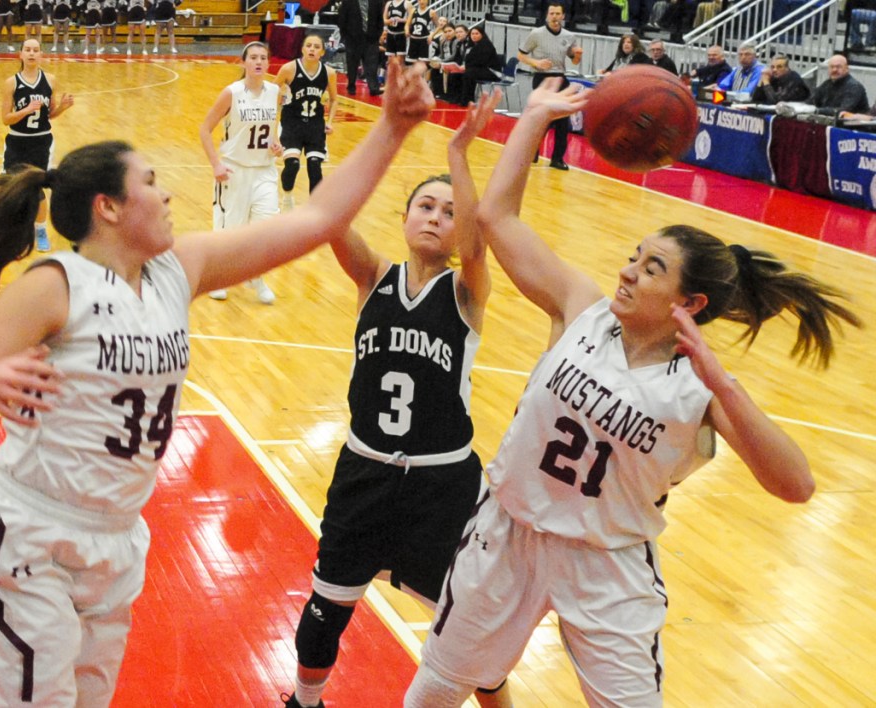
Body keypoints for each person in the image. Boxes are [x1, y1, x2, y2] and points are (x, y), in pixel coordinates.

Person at [0, 59, 434, 707]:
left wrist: (392, 126)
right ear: (108, 208)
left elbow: (315, 222)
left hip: (114, 542)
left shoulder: (176, 270)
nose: (168, 196)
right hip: (26, 537)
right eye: (152, 182)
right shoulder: (54, 285)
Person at [403, 78, 861, 708]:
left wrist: (725, 386)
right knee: (434, 691)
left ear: (690, 303)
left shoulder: (700, 388)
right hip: (506, 533)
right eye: (632, 256)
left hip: (607, 563)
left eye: (651, 269)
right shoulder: (580, 309)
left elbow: (796, 485)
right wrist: (535, 118)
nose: (626, 271)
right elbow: (496, 218)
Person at [281, 90, 509, 708]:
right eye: (423, 206)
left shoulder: (466, 290)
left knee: (472, 641)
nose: (435, 217)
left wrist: (458, 153)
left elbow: (479, 242)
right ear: (404, 219)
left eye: (446, 209)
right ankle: (305, 701)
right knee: (324, 612)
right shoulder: (371, 277)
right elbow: (328, 218)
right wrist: (373, 138)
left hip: (441, 484)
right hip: (365, 470)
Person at [199, 41, 282, 304]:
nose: (259, 62)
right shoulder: (231, 93)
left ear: (269, 63)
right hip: (235, 171)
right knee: (229, 233)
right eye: (253, 57)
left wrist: (276, 144)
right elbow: (205, 129)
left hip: (264, 171)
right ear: (244, 62)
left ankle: (256, 277)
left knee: (265, 230)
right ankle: (216, 278)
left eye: (263, 58)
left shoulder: (275, 91)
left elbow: (271, 128)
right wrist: (216, 164)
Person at [2, 39, 75, 252]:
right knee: (13, 186)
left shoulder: (50, 80)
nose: (32, 53)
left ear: (41, 54)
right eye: (28, 50)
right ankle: (15, 230)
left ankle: (40, 230)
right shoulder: (11, 83)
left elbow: (50, 114)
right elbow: (6, 118)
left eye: (35, 50)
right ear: (21, 54)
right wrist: (25, 111)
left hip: (41, 141)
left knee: (36, 187)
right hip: (17, 140)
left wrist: (63, 107)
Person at [275, 34, 339, 210]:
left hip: (315, 124)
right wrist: (280, 102)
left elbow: (334, 99)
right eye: (308, 45)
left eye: (317, 46)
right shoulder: (289, 69)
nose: (312, 49)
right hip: (292, 122)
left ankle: (314, 209)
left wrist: (330, 121)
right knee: (293, 165)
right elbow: (272, 91)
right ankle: (287, 197)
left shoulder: (329, 73)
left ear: (323, 52)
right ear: (302, 49)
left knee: (314, 166)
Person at [516, 2, 582, 170]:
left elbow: (573, 60)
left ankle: (557, 158)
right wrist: (536, 62)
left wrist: (578, 56)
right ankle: (533, 151)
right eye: (551, 13)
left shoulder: (569, 36)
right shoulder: (536, 34)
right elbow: (521, 55)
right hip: (542, 79)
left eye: (557, 14)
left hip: (560, 77)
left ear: (563, 16)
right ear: (547, 15)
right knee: (542, 119)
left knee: (562, 121)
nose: (554, 17)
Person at [777, 54, 870, 119]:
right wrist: (791, 106)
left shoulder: (854, 87)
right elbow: (810, 102)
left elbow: (843, 111)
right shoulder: (827, 84)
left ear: (847, 69)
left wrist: (815, 111)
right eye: (831, 67)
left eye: (838, 67)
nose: (834, 70)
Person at [442, 24, 503, 106]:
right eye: (472, 34)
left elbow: (482, 62)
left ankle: (467, 100)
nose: (474, 36)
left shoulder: (487, 45)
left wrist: (467, 67)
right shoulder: (472, 45)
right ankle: (456, 97)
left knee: (469, 73)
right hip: (479, 69)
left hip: (492, 71)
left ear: (482, 34)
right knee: (456, 73)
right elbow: (467, 60)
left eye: (476, 34)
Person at [337, 0, 385, 97]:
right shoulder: (348, 2)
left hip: (371, 39)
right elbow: (342, 19)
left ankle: (373, 88)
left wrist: (377, 35)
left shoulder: (377, 2)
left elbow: (380, 19)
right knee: (352, 64)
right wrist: (345, 37)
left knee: (372, 64)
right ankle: (351, 86)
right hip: (353, 38)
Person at [404, 0, 435, 66]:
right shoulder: (413, 11)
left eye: (424, 0)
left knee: (423, 64)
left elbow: (438, 26)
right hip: (413, 39)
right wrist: (406, 31)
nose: (422, 1)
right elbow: (407, 24)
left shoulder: (431, 12)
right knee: (411, 64)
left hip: (424, 40)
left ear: (427, 1)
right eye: (420, 0)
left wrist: (432, 34)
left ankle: (422, 76)